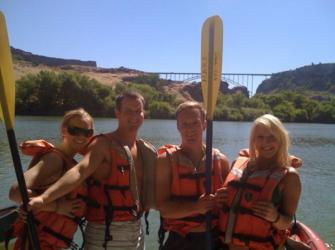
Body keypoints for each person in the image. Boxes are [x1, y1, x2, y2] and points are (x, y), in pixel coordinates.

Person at [28, 91, 157, 250]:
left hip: (137, 229)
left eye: (138, 111)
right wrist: (44, 199)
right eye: (128, 111)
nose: (134, 116)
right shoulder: (103, 144)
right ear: (117, 113)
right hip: (107, 233)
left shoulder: (143, 149)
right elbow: (80, 171)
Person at [9, 108, 94, 250]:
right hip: (34, 244)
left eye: (87, 132)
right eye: (74, 130)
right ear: (64, 130)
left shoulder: (71, 163)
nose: (81, 136)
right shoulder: (54, 159)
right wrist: (57, 207)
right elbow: (15, 192)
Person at [217, 114, 302, 250]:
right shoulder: (238, 164)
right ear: (253, 140)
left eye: (271, 137)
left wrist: (275, 217)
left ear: (281, 139)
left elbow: (287, 222)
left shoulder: (289, 177)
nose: (265, 143)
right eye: (260, 137)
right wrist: (219, 199)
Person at [155, 101, 230, 250]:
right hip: (180, 240)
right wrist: (196, 207)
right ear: (178, 126)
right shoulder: (165, 161)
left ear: (204, 124)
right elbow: (163, 208)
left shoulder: (221, 161)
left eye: (195, 123)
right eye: (184, 124)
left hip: (214, 239)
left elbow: (228, 206)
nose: (190, 129)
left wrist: (224, 199)